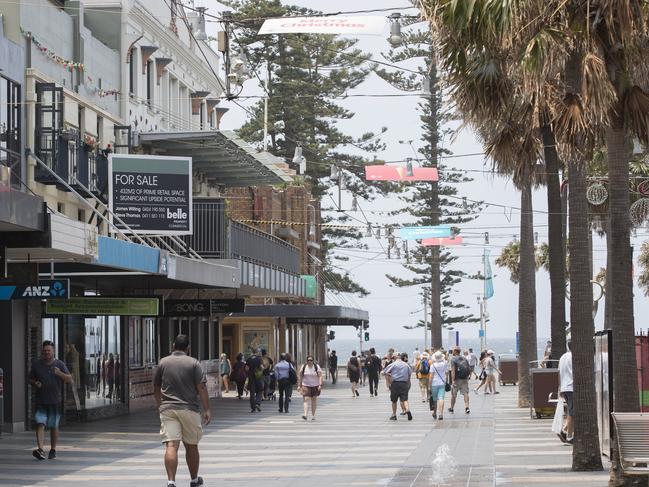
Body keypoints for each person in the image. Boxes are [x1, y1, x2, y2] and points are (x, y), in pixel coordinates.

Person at [153, 334, 210, 487]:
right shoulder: (194, 363)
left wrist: (159, 405)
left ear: (173, 346)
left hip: (168, 409)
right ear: (188, 348)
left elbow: (156, 387)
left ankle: (171, 481)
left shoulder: (163, 363)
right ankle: (193, 480)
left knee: (171, 445)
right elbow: (201, 388)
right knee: (191, 445)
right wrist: (207, 409)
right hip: (189, 409)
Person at [29, 340, 72, 460]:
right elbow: (30, 379)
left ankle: (53, 450)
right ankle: (41, 450)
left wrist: (59, 373)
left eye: (49, 350)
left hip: (54, 401)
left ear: (53, 351)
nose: (46, 352)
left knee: (53, 426)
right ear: (42, 351)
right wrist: (35, 383)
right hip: (41, 400)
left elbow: (69, 379)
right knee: (40, 424)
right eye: (44, 350)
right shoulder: (36, 364)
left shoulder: (60, 364)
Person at [382, 352, 413, 421]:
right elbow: (410, 373)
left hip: (395, 384)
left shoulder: (393, 364)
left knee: (394, 400)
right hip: (404, 384)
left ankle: (394, 415)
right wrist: (408, 382)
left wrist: (390, 375)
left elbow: (384, 372)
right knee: (405, 399)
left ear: (395, 357)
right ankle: (407, 409)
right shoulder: (406, 365)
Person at [558, 341, 574, 444]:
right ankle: (566, 433)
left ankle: (565, 431)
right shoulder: (574, 357)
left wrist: (559, 388)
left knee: (571, 410)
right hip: (572, 387)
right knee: (572, 412)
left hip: (564, 387)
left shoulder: (563, 357)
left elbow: (559, 372)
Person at [298, 355, 322, 420]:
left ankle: (313, 415)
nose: (309, 361)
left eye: (311, 360)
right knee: (306, 399)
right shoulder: (304, 367)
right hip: (306, 385)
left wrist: (320, 385)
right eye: (308, 360)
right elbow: (300, 376)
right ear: (306, 361)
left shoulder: (317, 367)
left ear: (313, 361)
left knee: (314, 400)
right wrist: (299, 386)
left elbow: (320, 376)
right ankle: (305, 415)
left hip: (315, 385)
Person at [449, 346, 471, 414]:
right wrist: (467, 377)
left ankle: (452, 408)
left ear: (455, 351)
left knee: (453, 394)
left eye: (453, 350)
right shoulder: (464, 358)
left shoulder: (453, 359)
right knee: (465, 393)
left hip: (457, 379)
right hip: (464, 378)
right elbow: (469, 369)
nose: (452, 352)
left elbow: (453, 371)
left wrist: (452, 380)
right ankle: (467, 407)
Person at [429, 351, 449, 420]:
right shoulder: (444, 364)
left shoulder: (432, 365)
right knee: (441, 398)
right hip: (442, 383)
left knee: (435, 399)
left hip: (434, 383)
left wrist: (430, 385)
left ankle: (434, 412)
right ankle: (441, 414)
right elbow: (447, 374)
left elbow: (431, 376)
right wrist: (445, 380)